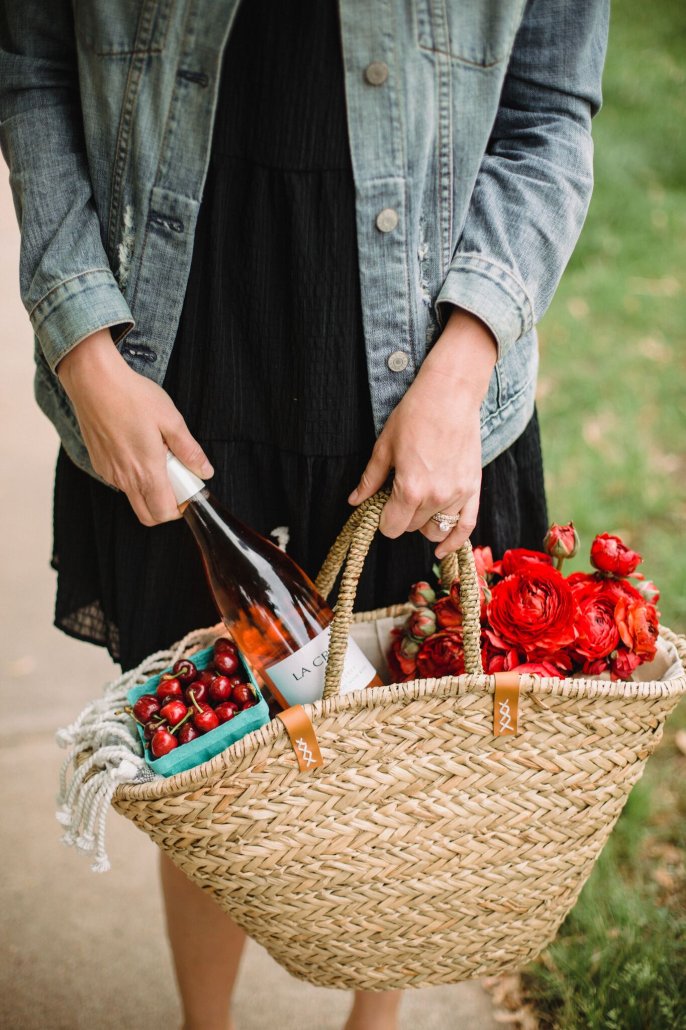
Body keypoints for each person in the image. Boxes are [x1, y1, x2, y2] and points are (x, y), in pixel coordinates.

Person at [0, 1, 608, 1028]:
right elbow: (30, 66)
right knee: (211, 769)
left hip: (418, 365)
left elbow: (547, 111)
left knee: (411, 745)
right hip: (176, 349)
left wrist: (460, 375)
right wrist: (83, 349)